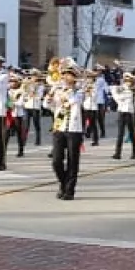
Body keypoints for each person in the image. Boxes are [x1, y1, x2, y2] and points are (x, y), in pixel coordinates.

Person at [49, 64, 84, 200]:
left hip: (74, 129)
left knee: (72, 160)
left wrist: (64, 93)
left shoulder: (78, 91)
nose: (64, 77)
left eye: (68, 74)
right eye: (64, 74)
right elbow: (49, 106)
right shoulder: (58, 90)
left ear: (74, 77)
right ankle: (63, 183)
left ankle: (69, 190)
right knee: (56, 160)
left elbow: (74, 101)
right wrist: (49, 97)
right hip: (59, 126)